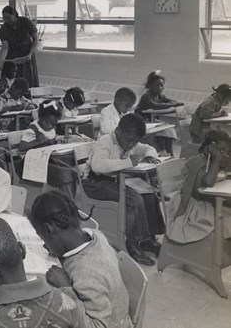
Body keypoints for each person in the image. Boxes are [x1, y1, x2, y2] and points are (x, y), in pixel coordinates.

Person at [28, 190, 132, 328]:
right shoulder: (95, 234)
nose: (44, 243)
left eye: (42, 237)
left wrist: (66, 288)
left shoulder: (87, 274)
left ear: (49, 229)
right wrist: (56, 247)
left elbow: (98, 325)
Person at [82, 113, 162, 265]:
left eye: (135, 141)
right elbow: (97, 166)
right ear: (118, 131)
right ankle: (132, 244)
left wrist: (150, 156)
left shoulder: (129, 141)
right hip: (93, 183)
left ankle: (147, 239)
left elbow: (148, 148)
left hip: (113, 181)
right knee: (132, 199)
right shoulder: (106, 141)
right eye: (129, 140)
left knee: (149, 194)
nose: (131, 144)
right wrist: (127, 162)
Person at [165, 130, 231, 243]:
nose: (224, 155)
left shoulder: (215, 164)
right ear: (208, 149)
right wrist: (217, 160)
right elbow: (208, 182)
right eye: (220, 151)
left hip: (209, 203)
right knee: (227, 221)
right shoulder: (200, 163)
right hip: (194, 209)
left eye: (228, 152)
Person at [17, 100, 78, 196]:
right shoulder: (33, 129)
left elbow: (51, 140)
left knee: (72, 172)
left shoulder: (51, 128)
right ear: (40, 116)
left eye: (53, 124)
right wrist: (37, 141)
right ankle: (66, 201)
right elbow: (21, 147)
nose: (50, 126)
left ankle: (69, 200)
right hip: (32, 164)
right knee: (63, 175)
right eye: (47, 122)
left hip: (48, 161)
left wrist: (59, 141)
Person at [135, 70, 183, 155]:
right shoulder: (146, 96)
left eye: (161, 85)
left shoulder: (160, 96)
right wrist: (174, 104)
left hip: (152, 121)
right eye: (156, 85)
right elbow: (156, 106)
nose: (159, 88)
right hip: (142, 121)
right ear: (149, 86)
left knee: (168, 128)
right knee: (161, 131)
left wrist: (174, 103)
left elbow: (172, 101)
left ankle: (169, 152)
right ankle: (162, 151)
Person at [0, 5, 40, 87]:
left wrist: (30, 54)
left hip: (26, 54)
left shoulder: (26, 22)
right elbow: (5, 47)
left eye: (8, 17)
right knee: (10, 81)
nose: (6, 20)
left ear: (14, 14)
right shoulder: (3, 28)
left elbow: (35, 39)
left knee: (27, 81)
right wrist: (1, 61)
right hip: (12, 56)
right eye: (4, 18)